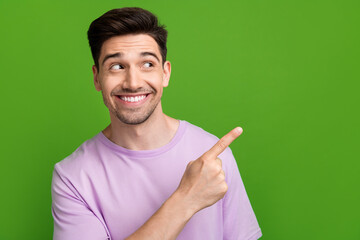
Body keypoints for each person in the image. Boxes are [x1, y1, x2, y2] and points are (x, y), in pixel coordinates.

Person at [51, 7, 262, 240]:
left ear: (165, 73)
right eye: (117, 66)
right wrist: (186, 199)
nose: (133, 82)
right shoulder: (73, 176)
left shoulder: (213, 156)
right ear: (97, 77)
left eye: (147, 64)